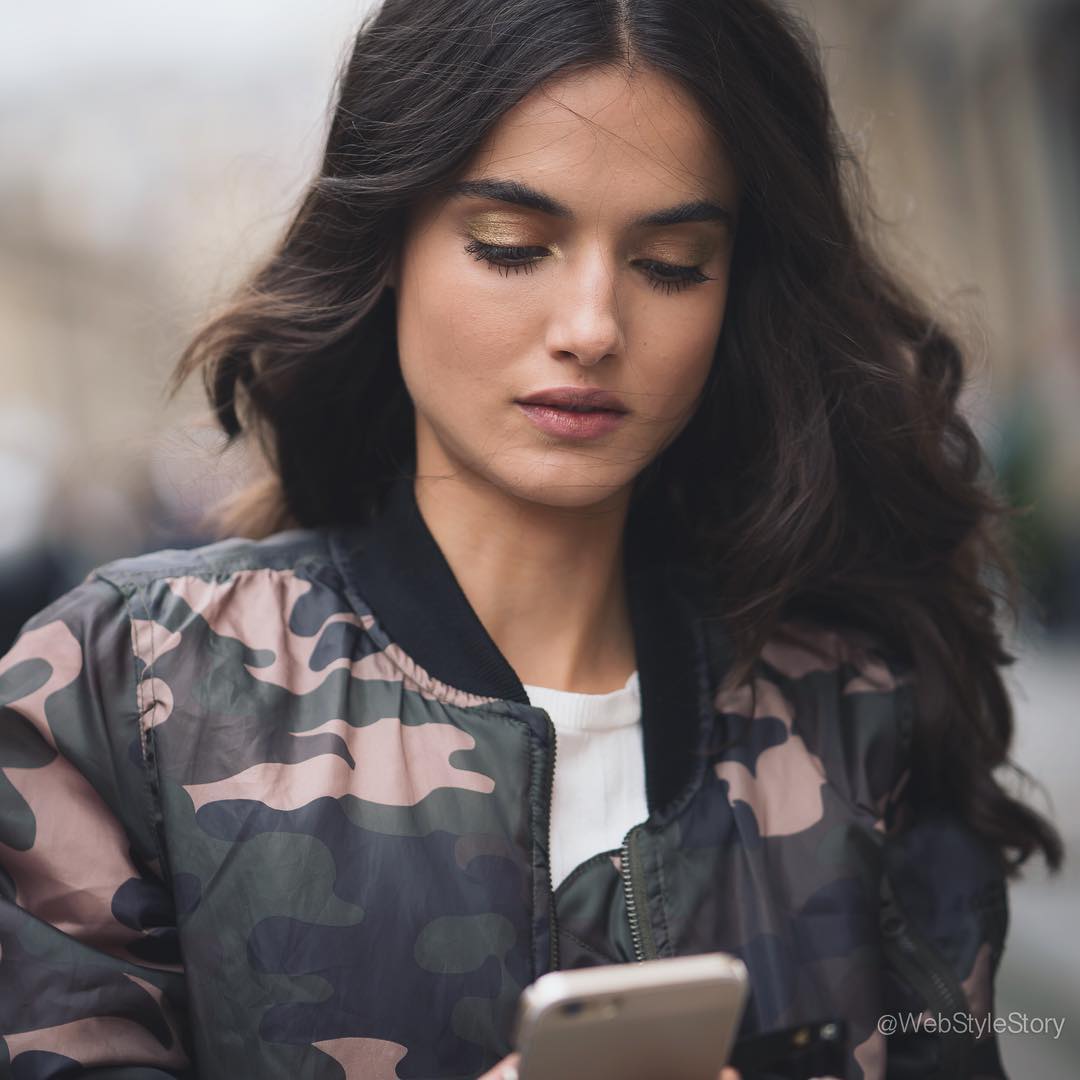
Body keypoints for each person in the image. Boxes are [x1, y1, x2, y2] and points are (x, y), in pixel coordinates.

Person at [0, 0, 1063, 1077]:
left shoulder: (860, 711)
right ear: (387, 247)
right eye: (512, 247)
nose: (593, 325)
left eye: (673, 261)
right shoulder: (124, 693)